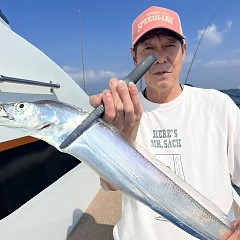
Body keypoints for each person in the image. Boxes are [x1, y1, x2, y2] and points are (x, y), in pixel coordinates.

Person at [90, 6, 240, 239]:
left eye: (169, 46)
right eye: (148, 49)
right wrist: (116, 138)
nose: (160, 58)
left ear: (184, 50)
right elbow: (109, 184)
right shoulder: (123, 112)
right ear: (135, 57)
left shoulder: (219, 106)